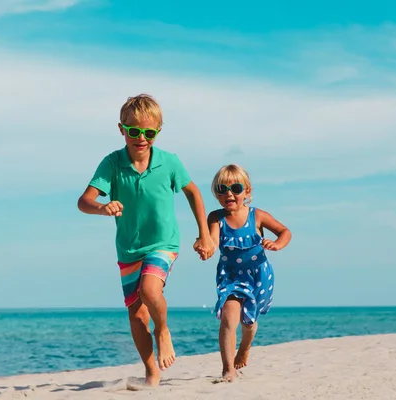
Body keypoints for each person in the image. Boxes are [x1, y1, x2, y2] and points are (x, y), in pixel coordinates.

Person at [77, 93, 216, 386]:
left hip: (163, 243)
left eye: (149, 132)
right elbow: (84, 201)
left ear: (158, 132)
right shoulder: (112, 163)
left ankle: (163, 330)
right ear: (121, 129)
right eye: (134, 131)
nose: (141, 138)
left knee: (151, 290)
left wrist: (204, 233)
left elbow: (193, 192)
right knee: (138, 317)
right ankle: (151, 371)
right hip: (128, 248)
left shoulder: (170, 162)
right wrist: (103, 207)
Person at [206, 164, 292, 382]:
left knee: (249, 322)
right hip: (231, 275)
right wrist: (205, 246)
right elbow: (213, 241)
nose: (229, 194)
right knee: (228, 316)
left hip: (258, 276)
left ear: (247, 191)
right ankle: (228, 369)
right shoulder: (216, 218)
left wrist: (277, 245)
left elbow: (284, 231)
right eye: (222, 189)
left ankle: (244, 347)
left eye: (235, 188)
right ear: (216, 194)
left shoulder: (258, 216)